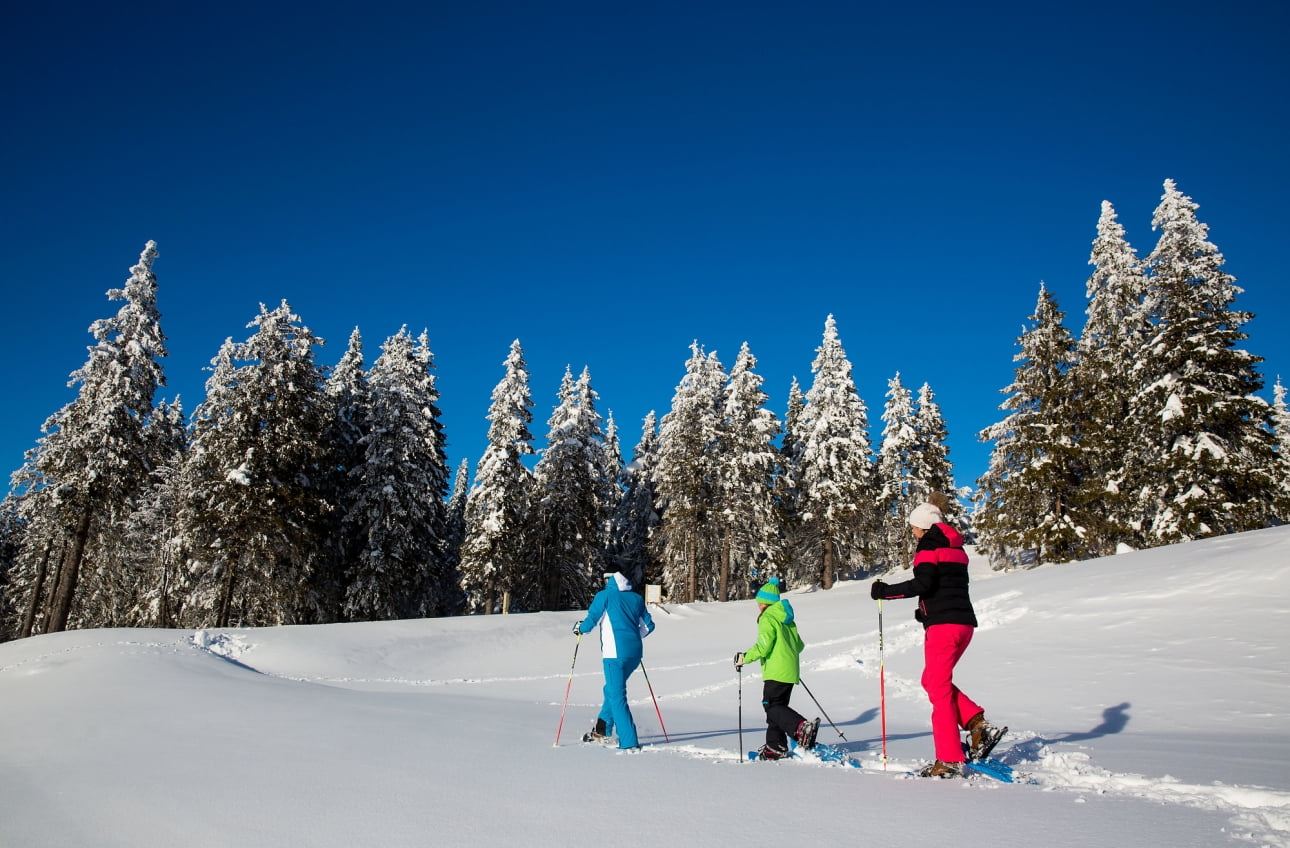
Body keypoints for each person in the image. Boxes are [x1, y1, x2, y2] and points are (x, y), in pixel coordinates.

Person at [870, 497, 1007, 778]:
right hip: (963, 624)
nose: (912, 532)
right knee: (932, 681)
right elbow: (946, 588)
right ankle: (975, 722)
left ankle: (948, 759)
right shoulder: (957, 550)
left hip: (944, 628)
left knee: (939, 690)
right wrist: (926, 611)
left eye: (913, 527)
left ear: (923, 526)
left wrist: (886, 591)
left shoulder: (927, 548)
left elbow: (924, 583)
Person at [734, 576, 820, 760]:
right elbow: (799, 646)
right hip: (789, 670)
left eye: (759, 602)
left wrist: (744, 658)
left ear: (764, 602)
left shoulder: (768, 618)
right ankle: (775, 746)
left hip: (776, 669)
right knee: (777, 709)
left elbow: (764, 646)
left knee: (771, 706)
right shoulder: (786, 619)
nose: (758, 606)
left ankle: (800, 727)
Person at [574, 571, 656, 750]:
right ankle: (602, 729)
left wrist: (579, 628)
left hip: (614, 655)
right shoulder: (636, 598)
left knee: (617, 695)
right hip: (634, 654)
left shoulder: (604, 596)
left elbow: (591, 622)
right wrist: (634, 637)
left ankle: (629, 742)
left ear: (609, 581)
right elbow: (649, 626)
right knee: (610, 689)